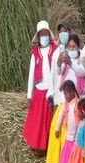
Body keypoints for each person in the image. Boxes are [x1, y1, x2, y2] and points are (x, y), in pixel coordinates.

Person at [46, 34, 85, 163]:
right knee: (58, 132)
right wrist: (59, 62)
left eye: (74, 46)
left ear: (78, 47)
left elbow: (81, 73)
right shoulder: (64, 59)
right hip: (66, 100)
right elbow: (58, 72)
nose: (71, 49)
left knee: (76, 137)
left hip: (79, 101)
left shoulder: (82, 60)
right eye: (69, 46)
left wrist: (71, 63)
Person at [23, 21, 58, 151]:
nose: (43, 36)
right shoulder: (35, 53)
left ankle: (49, 145)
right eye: (41, 34)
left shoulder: (55, 49)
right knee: (38, 122)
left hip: (52, 89)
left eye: (45, 33)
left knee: (49, 120)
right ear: (38, 37)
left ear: (49, 35)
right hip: (39, 90)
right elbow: (31, 75)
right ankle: (38, 145)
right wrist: (29, 95)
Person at [54, 80, 82, 163]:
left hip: (76, 138)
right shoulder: (65, 104)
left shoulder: (78, 103)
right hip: (68, 137)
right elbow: (60, 117)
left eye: (68, 93)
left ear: (73, 92)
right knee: (65, 158)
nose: (66, 96)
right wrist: (57, 129)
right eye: (65, 93)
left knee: (74, 159)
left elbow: (82, 119)